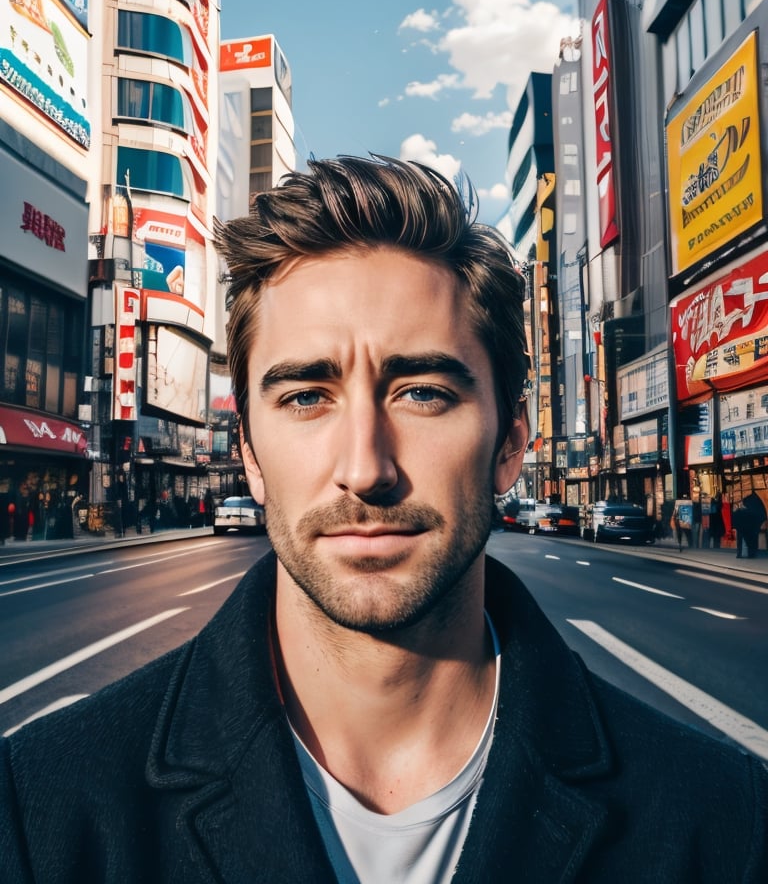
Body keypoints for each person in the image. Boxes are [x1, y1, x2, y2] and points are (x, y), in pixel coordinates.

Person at [1, 156, 767, 883]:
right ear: (252, 456)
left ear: (511, 443)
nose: (365, 466)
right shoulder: (43, 809)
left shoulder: (722, 822)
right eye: (305, 397)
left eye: (424, 392)